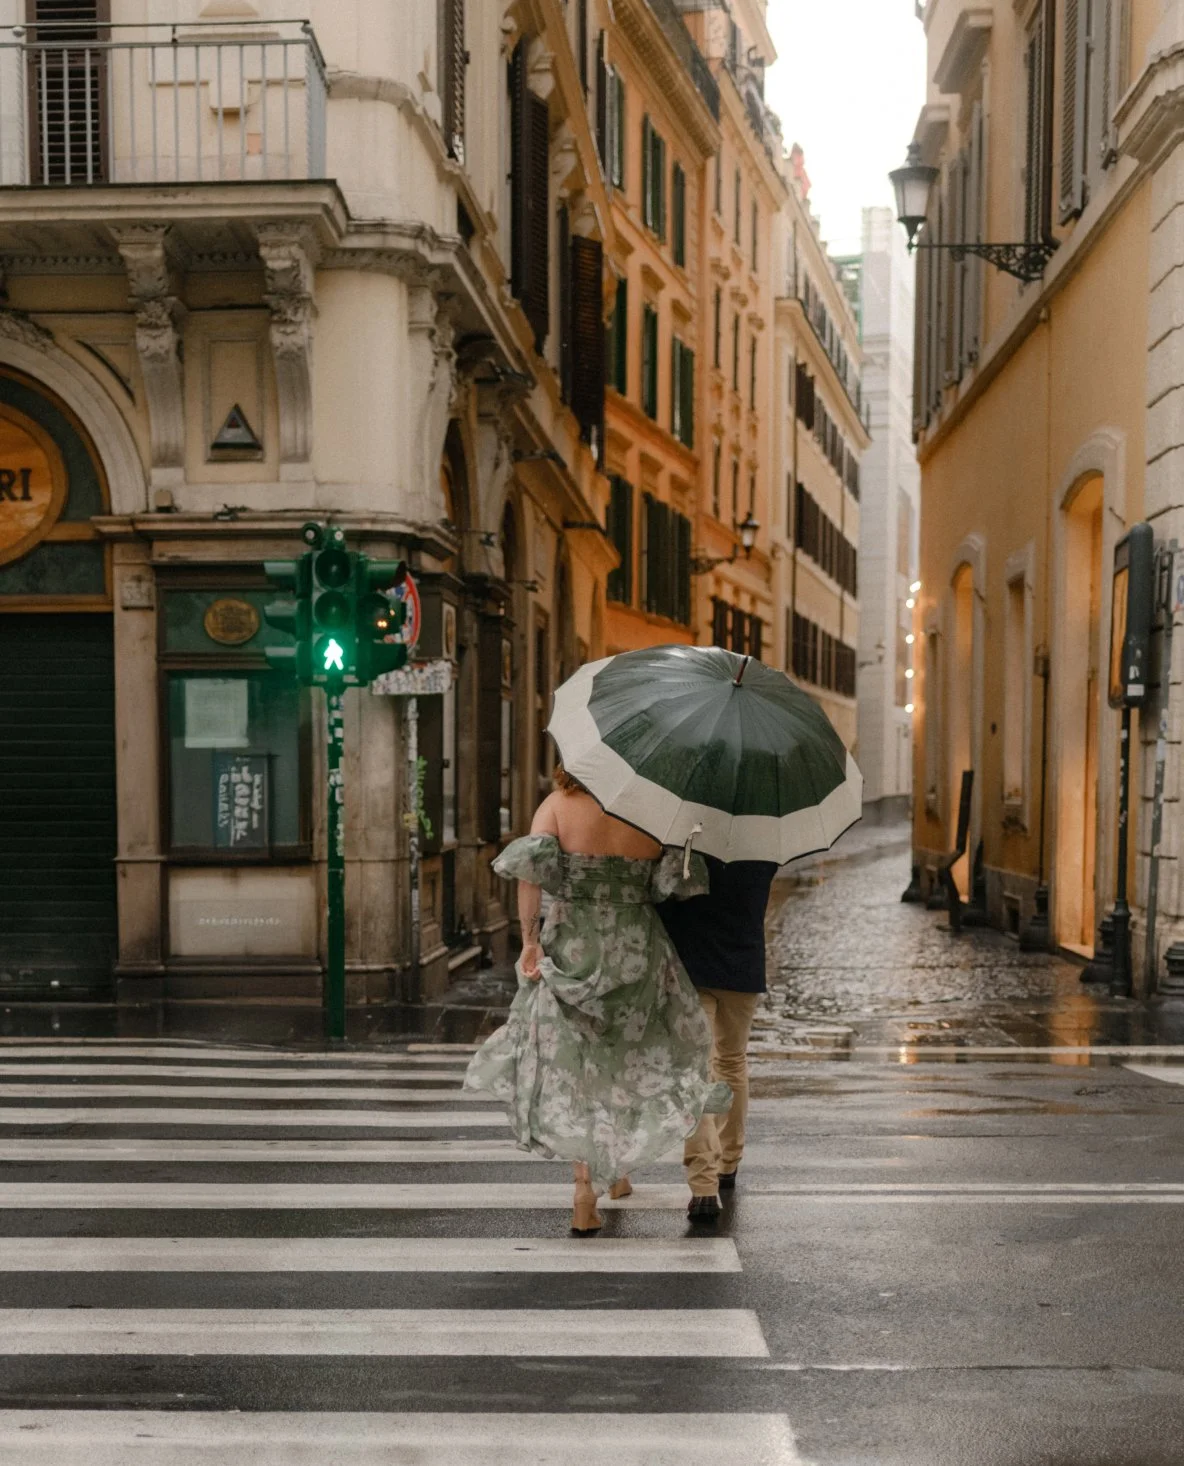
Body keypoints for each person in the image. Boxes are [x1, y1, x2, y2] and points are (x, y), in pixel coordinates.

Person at [464, 765, 730, 1235]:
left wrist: (530, 942)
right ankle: (619, 1168)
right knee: (627, 1055)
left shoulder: (556, 807)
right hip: (635, 947)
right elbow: (672, 886)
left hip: (574, 944)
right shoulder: (651, 814)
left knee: (578, 1060)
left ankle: (585, 1189)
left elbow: (529, 879)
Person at [656, 857, 778, 1223]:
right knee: (732, 1060)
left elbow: (665, 901)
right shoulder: (765, 847)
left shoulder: (690, 846)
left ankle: (704, 1186)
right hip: (743, 965)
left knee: (697, 1073)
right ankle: (728, 1161)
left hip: (694, 967)